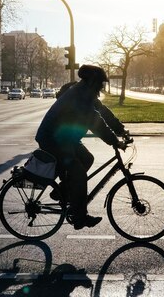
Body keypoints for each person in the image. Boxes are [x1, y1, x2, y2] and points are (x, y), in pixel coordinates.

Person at [35, 65, 127, 230]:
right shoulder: (79, 95)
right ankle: (80, 217)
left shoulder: (86, 93)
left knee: (87, 158)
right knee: (78, 174)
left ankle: (62, 191)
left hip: (65, 138)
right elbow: (94, 121)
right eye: (100, 82)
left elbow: (103, 112)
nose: (102, 86)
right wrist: (115, 141)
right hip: (53, 139)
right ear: (93, 81)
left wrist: (121, 129)